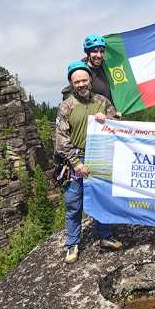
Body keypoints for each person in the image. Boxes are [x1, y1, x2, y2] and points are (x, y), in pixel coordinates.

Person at [55, 61, 123, 264]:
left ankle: (105, 236)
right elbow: (60, 140)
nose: (82, 84)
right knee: (73, 203)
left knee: (101, 198)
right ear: (71, 83)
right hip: (74, 161)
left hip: (100, 156)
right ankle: (72, 244)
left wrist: (109, 118)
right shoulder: (66, 106)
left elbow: (120, 122)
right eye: (77, 81)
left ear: (90, 80)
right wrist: (76, 163)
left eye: (84, 80)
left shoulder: (102, 101)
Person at [61, 35, 113, 104]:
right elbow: (68, 92)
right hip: (92, 111)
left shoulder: (106, 68)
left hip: (110, 111)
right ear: (88, 53)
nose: (99, 55)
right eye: (95, 51)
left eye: (102, 51)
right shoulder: (81, 71)